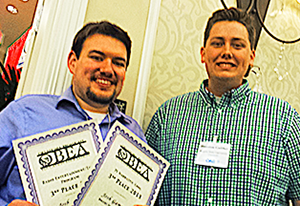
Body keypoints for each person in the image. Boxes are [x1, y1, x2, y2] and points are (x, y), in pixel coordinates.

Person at [145, 7, 300, 205]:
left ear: (251, 56)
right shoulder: (166, 117)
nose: (227, 52)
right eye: (218, 43)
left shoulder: (285, 120)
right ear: (203, 54)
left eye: (237, 45)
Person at [0, 21, 146, 205]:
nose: (108, 69)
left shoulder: (134, 134)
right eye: (97, 57)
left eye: (118, 63)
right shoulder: (24, 112)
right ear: (72, 62)